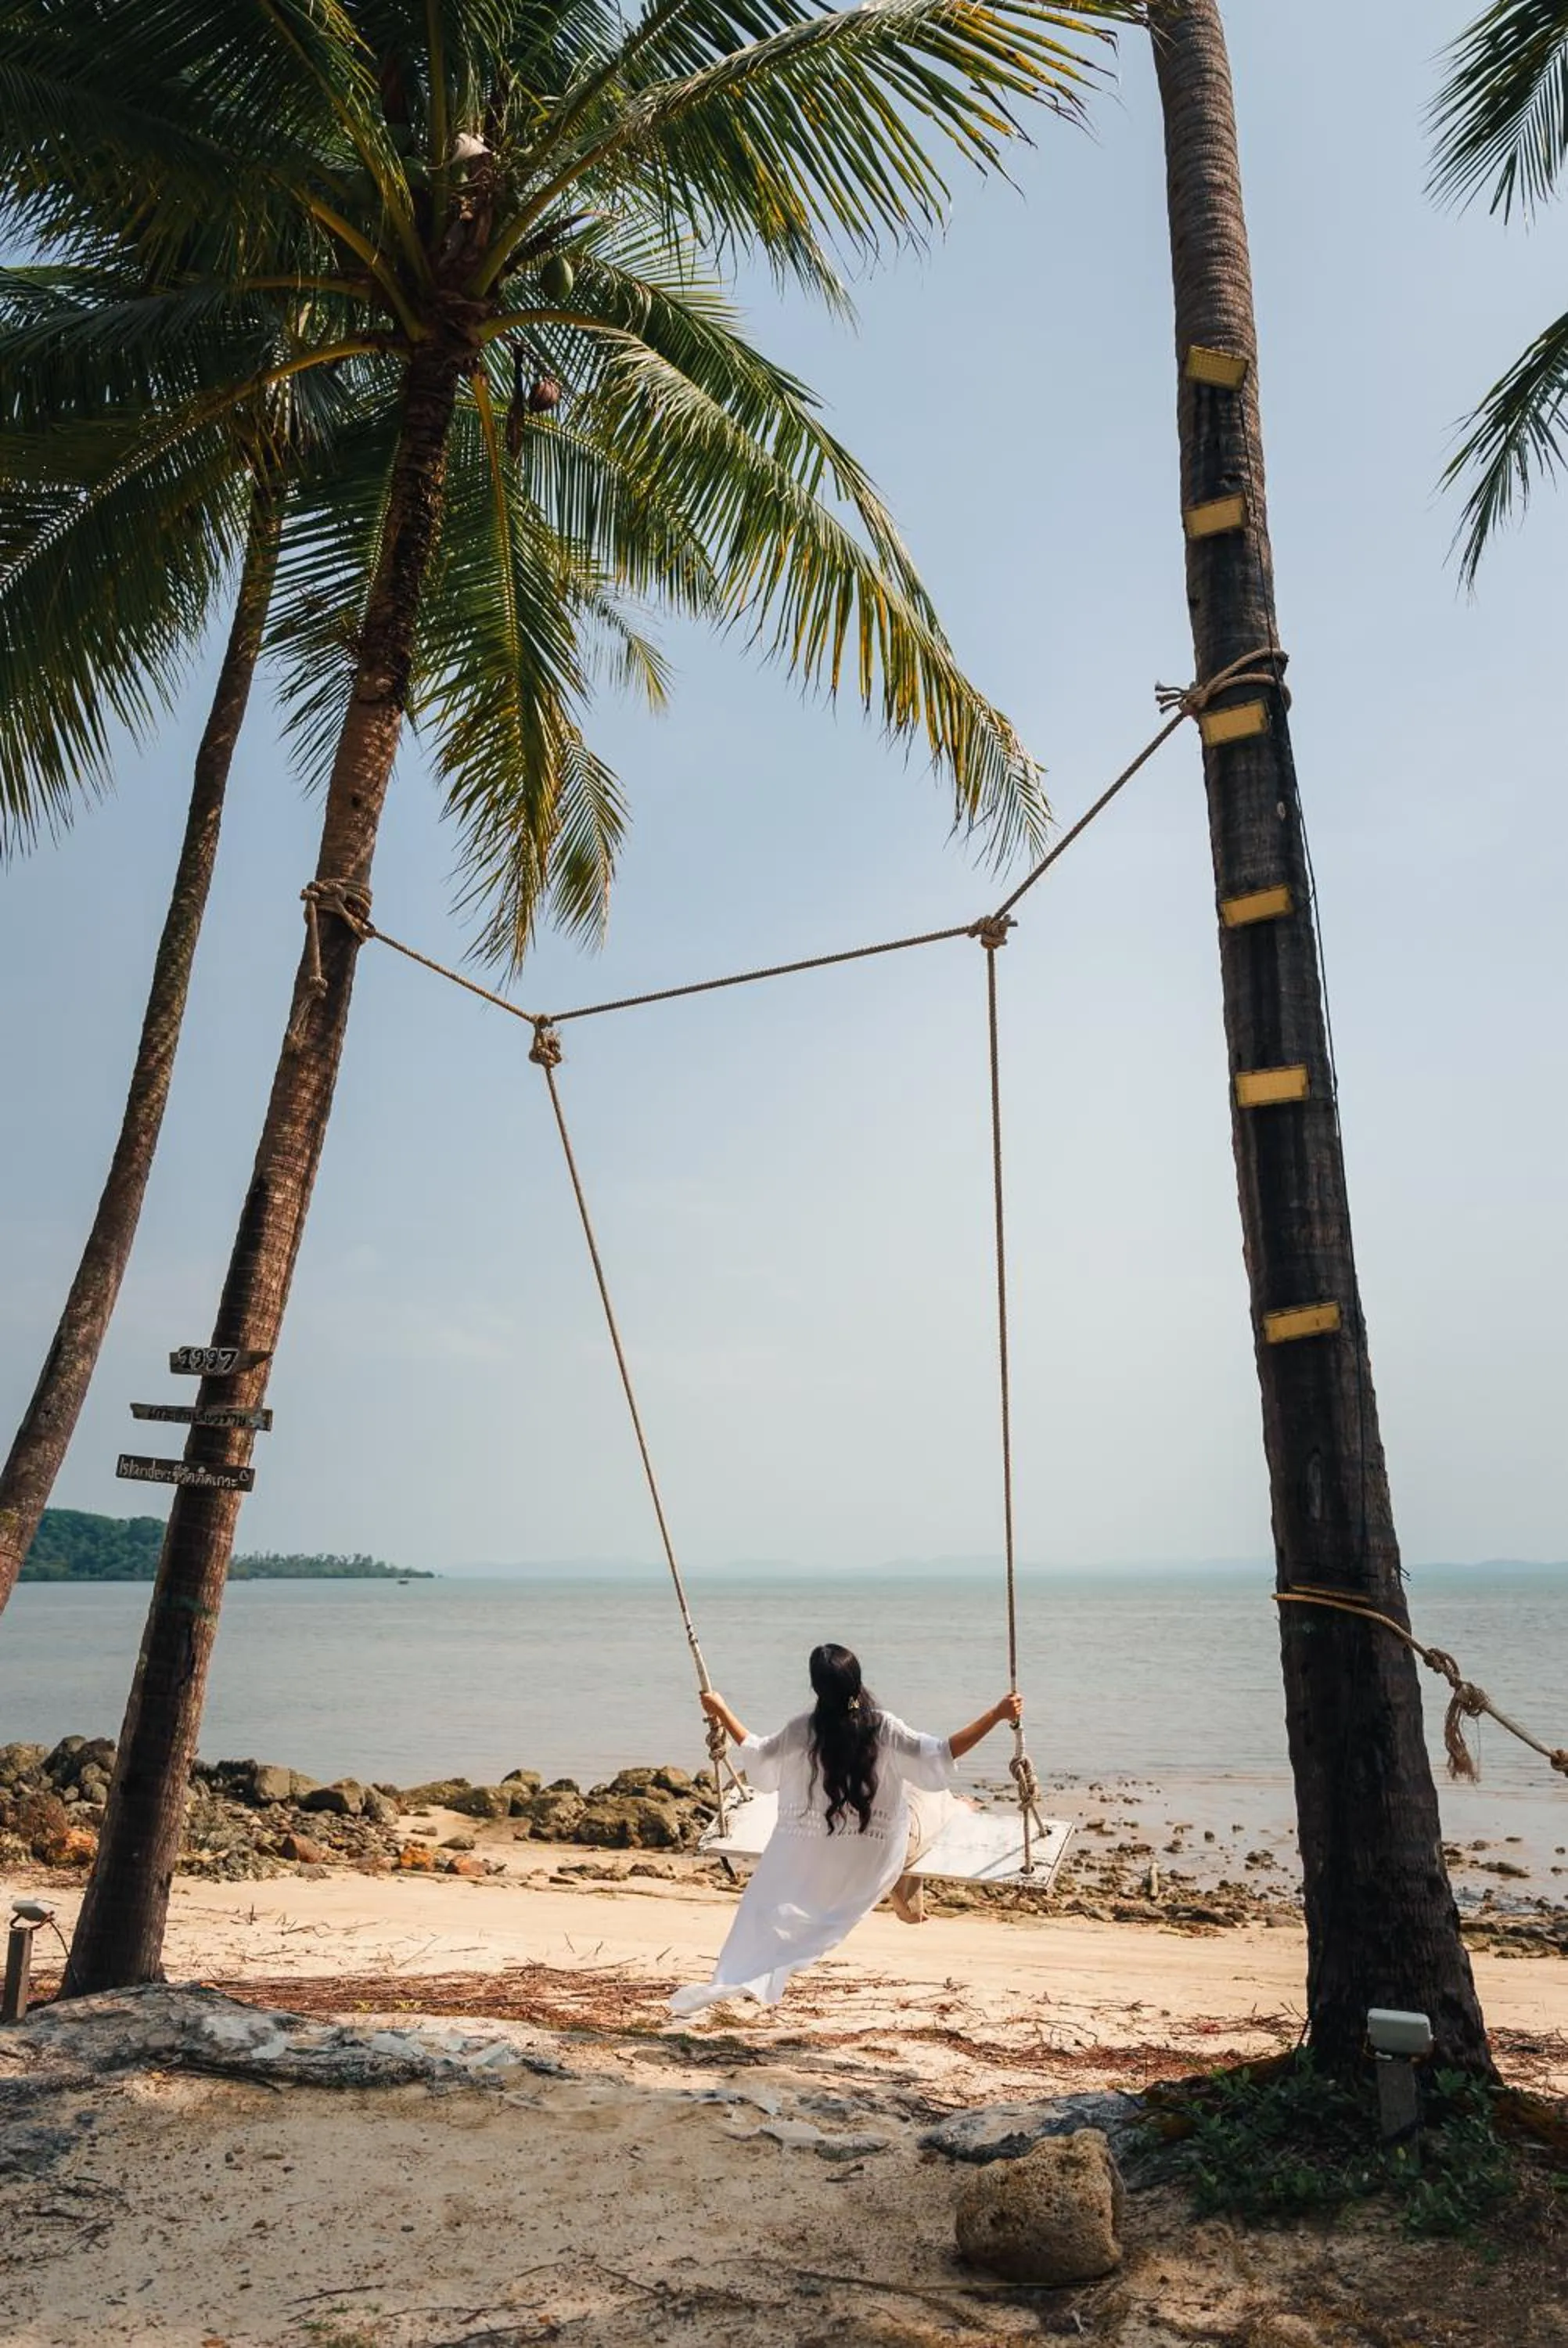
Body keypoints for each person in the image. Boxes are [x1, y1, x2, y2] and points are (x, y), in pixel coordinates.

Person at [667, 1642, 1023, 2016]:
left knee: (914, 1789)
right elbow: (943, 1753)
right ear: (857, 1681)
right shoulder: (882, 1726)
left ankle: (910, 1880)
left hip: (835, 1855)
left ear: (816, 1689)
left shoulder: (803, 1730)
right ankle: (943, 1834)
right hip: (879, 1855)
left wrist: (721, 1710)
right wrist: (997, 1714)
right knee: (941, 1800)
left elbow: (757, 1754)